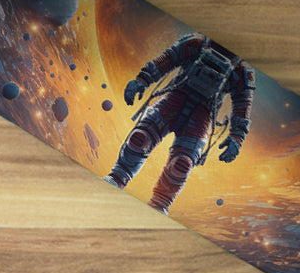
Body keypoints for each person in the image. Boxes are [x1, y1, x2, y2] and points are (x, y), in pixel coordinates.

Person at [107, 33, 255, 213]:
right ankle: (117, 178)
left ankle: (159, 205)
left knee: (181, 165)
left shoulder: (241, 71)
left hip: (200, 116)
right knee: (139, 139)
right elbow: (167, 60)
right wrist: (142, 80)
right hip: (174, 102)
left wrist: (237, 137)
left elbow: (242, 105)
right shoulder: (196, 44)